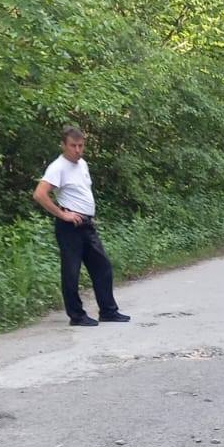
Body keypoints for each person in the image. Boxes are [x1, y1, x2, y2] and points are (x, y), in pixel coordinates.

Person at [33, 126, 130, 327]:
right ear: (63, 145)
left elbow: (81, 192)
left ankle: (108, 311)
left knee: (102, 266)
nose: (77, 150)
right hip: (70, 227)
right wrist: (63, 214)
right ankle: (76, 316)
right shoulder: (58, 167)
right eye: (73, 146)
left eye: (81, 145)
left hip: (86, 224)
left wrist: (88, 214)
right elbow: (39, 194)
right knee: (72, 271)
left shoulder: (82, 164)